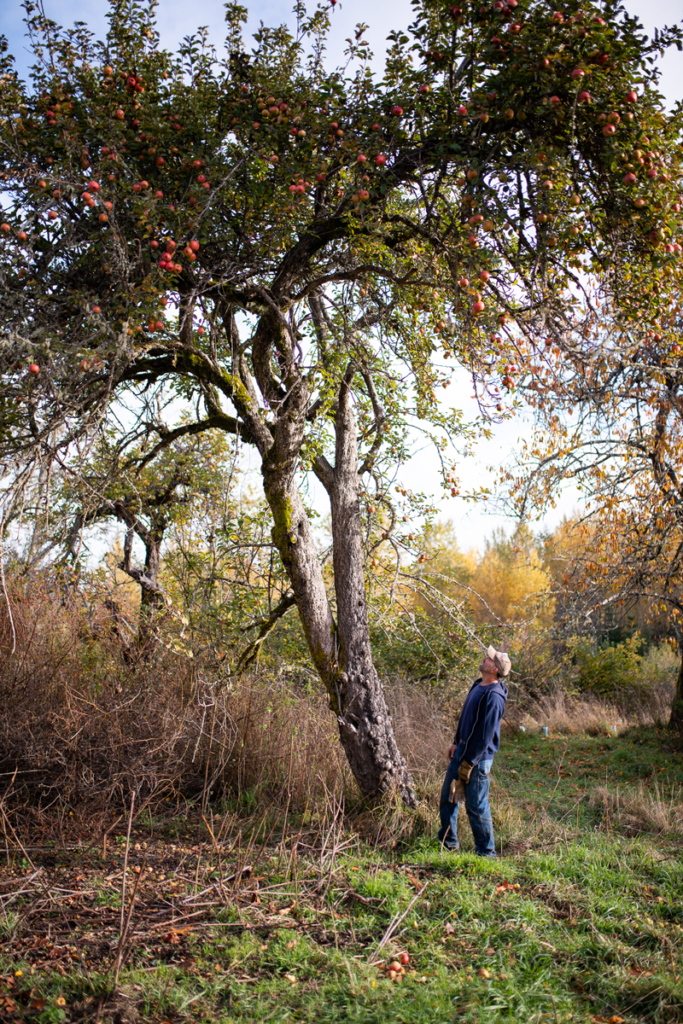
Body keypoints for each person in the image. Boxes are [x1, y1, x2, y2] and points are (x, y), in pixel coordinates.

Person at [437, 645, 511, 857]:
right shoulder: (478, 685)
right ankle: (448, 844)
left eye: (489, 660)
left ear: (494, 669)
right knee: (448, 797)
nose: (485, 659)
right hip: (462, 750)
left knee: (476, 807)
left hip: (477, 760)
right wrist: (455, 742)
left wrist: (468, 762)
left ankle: (487, 853)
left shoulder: (494, 697)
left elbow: (484, 736)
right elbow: (465, 719)